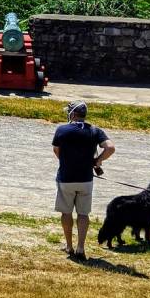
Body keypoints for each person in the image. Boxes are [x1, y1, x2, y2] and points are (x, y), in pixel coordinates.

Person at [52, 101, 115, 261]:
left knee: (66, 213)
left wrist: (67, 161)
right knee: (83, 214)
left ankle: (69, 246)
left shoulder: (62, 130)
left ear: (72, 114)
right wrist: (97, 161)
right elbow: (110, 147)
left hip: (66, 178)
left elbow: (56, 150)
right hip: (86, 179)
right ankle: (81, 247)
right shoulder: (94, 130)